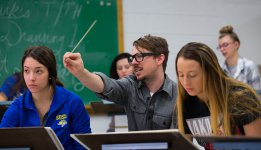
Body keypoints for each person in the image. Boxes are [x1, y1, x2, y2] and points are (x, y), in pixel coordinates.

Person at [63, 34, 177, 131]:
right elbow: (105, 86)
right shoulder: (131, 85)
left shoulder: (178, 95)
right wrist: (81, 72)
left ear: (159, 59)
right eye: (132, 58)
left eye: (139, 56)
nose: (133, 63)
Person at [0, 46, 91, 150]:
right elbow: (3, 144)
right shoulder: (17, 107)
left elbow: (84, 146)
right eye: (26, 71)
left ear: (50, 73)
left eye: (38, 71)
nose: (31, 78)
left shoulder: (73, 102)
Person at [174, 42, 261, 149]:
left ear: (210, 72)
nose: (185, 82)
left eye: (193, 75)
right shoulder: (184, 104)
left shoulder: (241, 97)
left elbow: (257, 146)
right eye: (181, 75)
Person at [218, 25, 261, 90]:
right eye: (220, 46)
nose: (222, 49)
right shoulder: (219, 69)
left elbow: (257, 94)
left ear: (236, 44)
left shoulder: (249, 66)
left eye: (225, 45)